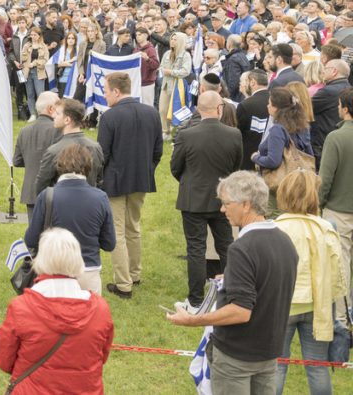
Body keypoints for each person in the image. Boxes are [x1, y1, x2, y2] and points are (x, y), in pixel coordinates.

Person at [166, 171, 297, 395]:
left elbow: (240, 311)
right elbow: (269, 284)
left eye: (226, 203)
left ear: (246, 205)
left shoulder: (242, 248)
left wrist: (193, 320)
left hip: (237, 356)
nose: (221, 209)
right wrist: (233, 278)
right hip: (269, 352)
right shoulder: (284, 241)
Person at [0, 228, 113, 393]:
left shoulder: (21, 308)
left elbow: (5, 361)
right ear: (78, 260)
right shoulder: (101, 310)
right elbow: (102, 356)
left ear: (41, 259)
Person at [274, 170, 346, 395]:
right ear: (315, 196)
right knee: (317, 366)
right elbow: (337, 273)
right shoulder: (326, 228)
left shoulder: (274, 228)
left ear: (283, 193)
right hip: (317, 307)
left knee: (277, 366)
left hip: (281, 306)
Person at [170, 91, 244, 311]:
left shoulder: (189, 135)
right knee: (226, 246)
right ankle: (233, 294)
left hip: (196, 199)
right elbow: (235, 167)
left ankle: (195, 301)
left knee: (196, 248)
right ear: (219, 109)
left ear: (199, 109)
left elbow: (176, 166)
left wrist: (191, 183)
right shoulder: (232, 134)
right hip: (221, 199)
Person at [98, 71, 163, 299]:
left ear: (116, 91)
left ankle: (124, 284)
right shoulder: (151, 112)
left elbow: (102, 154)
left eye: (106, 91)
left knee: (118, 231)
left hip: (115, 181)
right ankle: (133, 274)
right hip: (140, 179)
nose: (105, 95)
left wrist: (100, 178)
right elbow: (158, 151)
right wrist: (146, 170)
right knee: (133, 227)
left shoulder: (109, 117)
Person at [25, 145, 115, 294]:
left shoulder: (46, 196)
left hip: (53, 271)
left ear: (59, 165)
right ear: (88, 166)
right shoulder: (100, 198)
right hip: (88, 270)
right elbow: (109, 244)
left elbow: (31, 240)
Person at [251, 88, 312, 214]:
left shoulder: (277, 129)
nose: (267, 106)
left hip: (278, 186)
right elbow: (309, 153)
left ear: (276, 108)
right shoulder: (302, 126)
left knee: (275, 216)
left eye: (270, 103)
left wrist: (256, 157)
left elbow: (273, 161)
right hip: (300, 182)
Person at [319, 87, 353, 302]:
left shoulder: (335, 137)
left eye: (339, 105)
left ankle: (343, 315)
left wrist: (318, 203)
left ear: (345, 109)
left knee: (341, 265)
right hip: (340, 207)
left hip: (338, 210)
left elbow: (325, 179)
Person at [35, 97, 104, 194]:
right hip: (90, 200)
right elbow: (99, 180)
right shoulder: (96, 147)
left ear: (67, 120)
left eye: (57, 113)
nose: (53, 115)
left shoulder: (54, 151)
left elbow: (41, 186)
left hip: (61, 202)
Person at [12, 90, 61, 221]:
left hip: (31, 191)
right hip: (54, 190)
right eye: (58, 108)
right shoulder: (58, 130)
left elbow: (17, 161)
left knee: (34, 231)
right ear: (51, 109)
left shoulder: (24, 131)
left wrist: (31, 161)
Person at [310, 59, 350, 166]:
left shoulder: (328, 91)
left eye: (325, 68)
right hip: (342, 142)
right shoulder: (349, 89)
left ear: (334, 71)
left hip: (322, 144)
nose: (323, 71)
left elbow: (305, 108)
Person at [158, 32, 192, 139]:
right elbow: (162, 66)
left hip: (178, 86)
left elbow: (186, 71)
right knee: (162, 109)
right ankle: (165, 131)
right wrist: (164, 70)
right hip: (166, 85)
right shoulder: (167, 53)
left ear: (181, 41)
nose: (172, 41)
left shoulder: (186, 55)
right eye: (171, 39)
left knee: (177, 109)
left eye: (175, 39)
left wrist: (171, 72)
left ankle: (178, 131)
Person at [237, 69, 270, 171]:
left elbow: (237, 132)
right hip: (271, 156)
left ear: (252, 82)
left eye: (246, 81)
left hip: (249, 158)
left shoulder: (246, 105)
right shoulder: (275, 99)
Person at [20, 27, 49, 121]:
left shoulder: (43, 46)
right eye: (31, 35)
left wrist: (34, 63)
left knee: (40, 95)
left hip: (38, 72)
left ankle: (42, 114)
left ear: (39, 36)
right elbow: (22, 58)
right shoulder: (27, 45)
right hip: (27, 72)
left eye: (35, 35)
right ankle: (33, 114)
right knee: (30, 95)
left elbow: (45, 60)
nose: (32, 37)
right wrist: (25, 55)